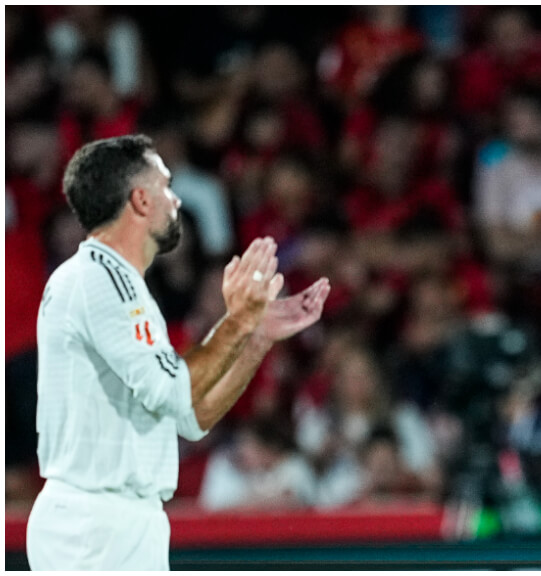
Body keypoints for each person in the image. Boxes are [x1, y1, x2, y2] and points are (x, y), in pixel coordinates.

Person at [25, 134, 331, 570]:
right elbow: (175, 391)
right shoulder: (100, 282)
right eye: (166, 187)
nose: (177, 202)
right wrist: (239, 321)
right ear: (140, 201)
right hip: (94, 528)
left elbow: (190, 416)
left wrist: (256, 336)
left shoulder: (119, 284)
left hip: (117, 523)